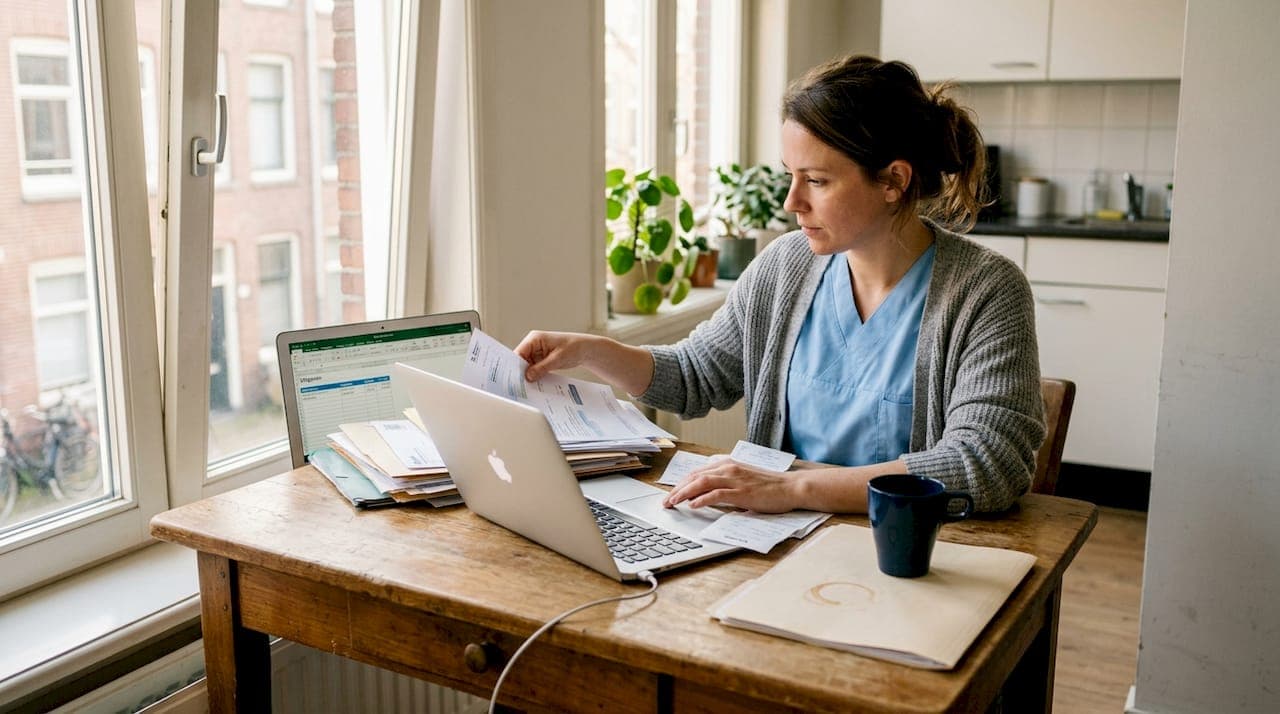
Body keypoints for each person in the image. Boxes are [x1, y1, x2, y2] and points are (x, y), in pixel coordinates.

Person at [516, 54, 1043, 514]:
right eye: (791, 175)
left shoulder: (986, 291)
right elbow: (697, 376)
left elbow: (987, 463)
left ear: (893, 180)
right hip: (774, 540)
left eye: (816, 180)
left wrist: (792, 488)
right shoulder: (786, 266)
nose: (792, 202)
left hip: (904, 559)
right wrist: (592, 351)